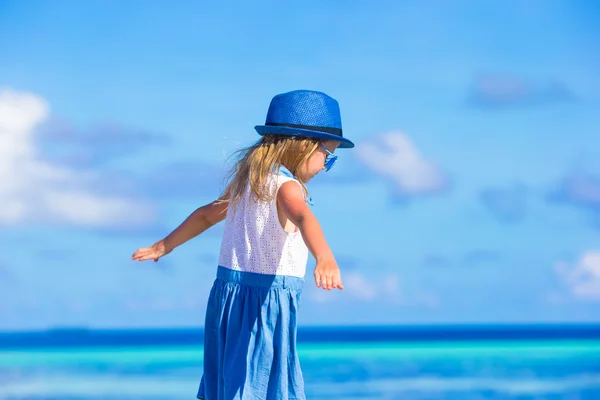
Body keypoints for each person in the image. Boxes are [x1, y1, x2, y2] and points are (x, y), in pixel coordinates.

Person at [131, 89, 355, 399]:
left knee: (232, 382)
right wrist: (325, 256)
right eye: (327, 156)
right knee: (260, 385)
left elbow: (204, 216)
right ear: (303, 146)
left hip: (226, 299)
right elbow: (303, 216)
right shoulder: (287, 188)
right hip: (265, 302)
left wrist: (165, 245)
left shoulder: (248, 186)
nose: (324, 166)